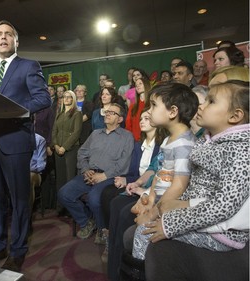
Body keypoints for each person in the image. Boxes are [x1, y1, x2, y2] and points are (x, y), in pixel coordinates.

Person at [143, 81, 249, 281]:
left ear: (234, 116)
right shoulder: (208, 141)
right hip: (200, 218)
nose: (202, 105)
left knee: (145, 236)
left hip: (222, 234)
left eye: (211, 101)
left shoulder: (240, 151)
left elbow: (223, 206)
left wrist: (172, 221)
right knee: (142, 233)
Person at [0, 20, 51, 272]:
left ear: (15, 41)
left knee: (20, 199)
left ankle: (18, 250)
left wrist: (17, 111)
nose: (3, 37)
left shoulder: (28, 66)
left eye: (8, 34)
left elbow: (43, 98)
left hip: (17, 142)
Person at [125, 82, 199, 260]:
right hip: (159, 202)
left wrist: (152, 213)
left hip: (171, 208)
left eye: (154, 105)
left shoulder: (184, 144)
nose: (148, 111)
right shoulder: (168, 140)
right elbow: (160, 174)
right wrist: (149, 200)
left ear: (173, 112)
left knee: (141, 234)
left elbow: (179, 186)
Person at [58, 103, 134, 240]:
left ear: (120, 119)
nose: (108, 113)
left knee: (94, 198)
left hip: (110, 177)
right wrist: (85, 169)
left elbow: (124, 164)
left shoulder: (127, 137)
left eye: (112, 112)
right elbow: (82, 153)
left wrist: (104, 175)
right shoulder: (95, 133)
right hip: (89, 174)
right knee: (64, 193)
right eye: (107, 111)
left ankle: (102, 228)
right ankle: (87, 221)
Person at [100, 109, 165, 263]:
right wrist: (126, 179)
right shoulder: (138, 145)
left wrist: (131, 182)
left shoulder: (161, 145)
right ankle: (109, 237)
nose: (142, 121)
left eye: (147, 118)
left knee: (116, 201)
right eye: (140, 118)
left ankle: (118, 250)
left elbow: (154, 173)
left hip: (149, 188)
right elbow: (134, 171)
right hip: (138, 181)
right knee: (106, 193)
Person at [51, 90, 82, 213]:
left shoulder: (77, 114)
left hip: (71, 149)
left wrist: (64, 147)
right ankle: (61, 207)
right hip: (58, 150)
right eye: (65, 97)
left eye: (69, 97)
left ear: (73, 99)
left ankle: (71, 209)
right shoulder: (59, 113)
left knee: (70, 179)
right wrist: (56, 145)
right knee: (61, 179)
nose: (66, 99)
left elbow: (76, 133)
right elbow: (54, 131)